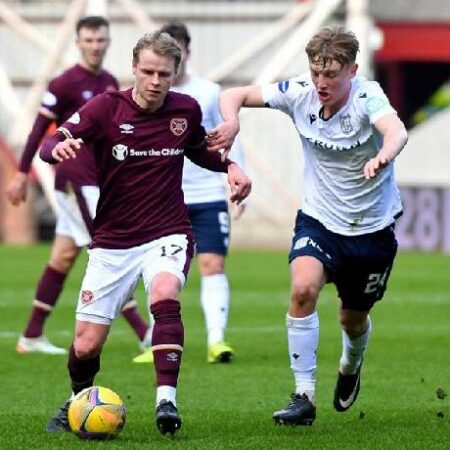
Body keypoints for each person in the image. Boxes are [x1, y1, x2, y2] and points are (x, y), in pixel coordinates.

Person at [41, 31, 251, 435]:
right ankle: (78, 400)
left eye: (165, 74)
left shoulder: (185, 110)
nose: (156, 81)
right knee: (85, 345)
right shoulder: (105, 108)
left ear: (176, 73)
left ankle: (166, 403)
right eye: (149, 72)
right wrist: (58, 150)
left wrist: (232, 168)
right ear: (134, 68)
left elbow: (198, 150)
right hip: (114, 240)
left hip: (167, 230)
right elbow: (54, 142)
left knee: (165, 292)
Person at [207, 26, 408, 426]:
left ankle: (351, 363)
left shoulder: (368, 96)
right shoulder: (299, 91)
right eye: (316, 72)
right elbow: (232, 94)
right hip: (319, 220)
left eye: (331, 74)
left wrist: (384, 156)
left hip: (371, 229)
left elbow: (396, 131)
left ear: (352, 70)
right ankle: (304, 396)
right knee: (302, 288)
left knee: (352, 320)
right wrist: (232, 123)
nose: (321, 82)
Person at [6, 16, 150, 355]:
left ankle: (31, 335)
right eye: (89, 40)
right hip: (76, 182)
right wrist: (20, 174)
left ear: (108, 42)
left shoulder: (111, 81)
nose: (95, 46)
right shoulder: (64, 84)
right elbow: (39, 130)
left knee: (62, 257)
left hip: (97, 180)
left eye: (101, 40)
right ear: (78, 42)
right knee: (108, 251)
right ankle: (146, 335)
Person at [133, 21, 247, 365]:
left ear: (184, 56)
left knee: (213, 264)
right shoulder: (142, 95)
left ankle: (217, 340)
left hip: (208, 193)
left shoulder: (209, 92)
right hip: (164, 199)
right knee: (158, 272)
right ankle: (156, 342)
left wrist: (235, 177)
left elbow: (228, 136)